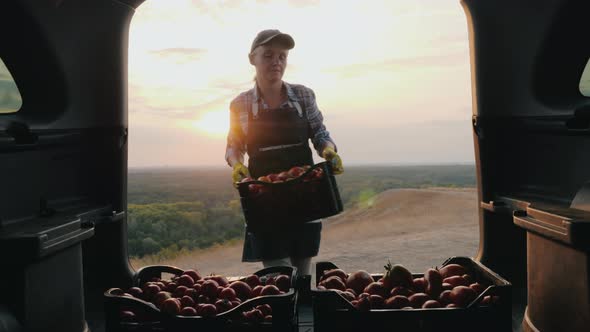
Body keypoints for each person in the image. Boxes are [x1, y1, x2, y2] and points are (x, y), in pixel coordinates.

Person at [225, 29, 343, 276]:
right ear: (252, 59)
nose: (276, 61)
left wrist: (329, 150)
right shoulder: (240, 104)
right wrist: (236, 164)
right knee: (278, 274)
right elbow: (234, 147)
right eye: (268, 55)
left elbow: (319, 134)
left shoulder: (303, 96)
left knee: (302, 271)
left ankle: (300, 309)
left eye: (282, 56)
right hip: (263, 199)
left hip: (306, 194)